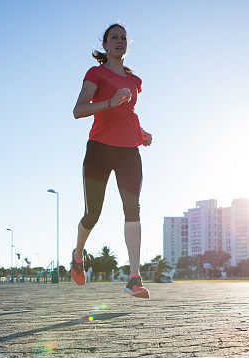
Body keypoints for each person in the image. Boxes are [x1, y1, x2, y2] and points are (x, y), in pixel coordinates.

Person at [70, 23, 152, 299]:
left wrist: (141, 135)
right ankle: (78, 255)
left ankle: (134, 277)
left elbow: (127, 114)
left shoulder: (134, 80)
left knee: (133, 208)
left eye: (123, 38)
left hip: (129, 150)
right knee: (93, 213)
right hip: (99, 149)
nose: (119, 41)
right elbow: (78, 110)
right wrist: (109, 103)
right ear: (104, 45)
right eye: (113, 38)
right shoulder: (96, 73)